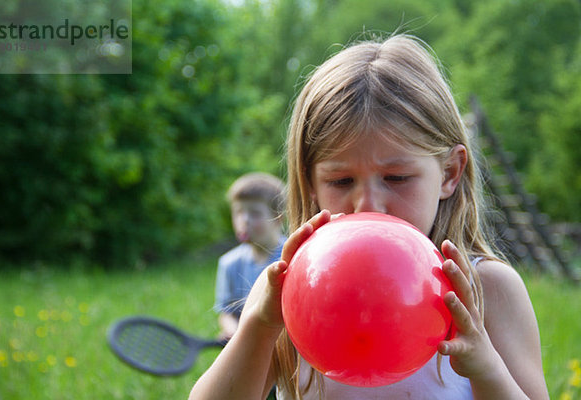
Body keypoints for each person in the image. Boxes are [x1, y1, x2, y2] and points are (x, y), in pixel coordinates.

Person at [190, 34, 549, 399]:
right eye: (341, 180)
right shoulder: (292, 290)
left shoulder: (489, 289)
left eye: (396, 178)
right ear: (311, 183)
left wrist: (486, 366)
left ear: (449, 173)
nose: (368, 206)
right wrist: (259, 326)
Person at [214, 172, 287, 341]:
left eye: (255, 213)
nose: (244, 220)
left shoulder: (293, 256)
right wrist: (233, 332)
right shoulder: (229, 263)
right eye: (238, 212)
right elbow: (226, 312)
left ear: (278, 219)